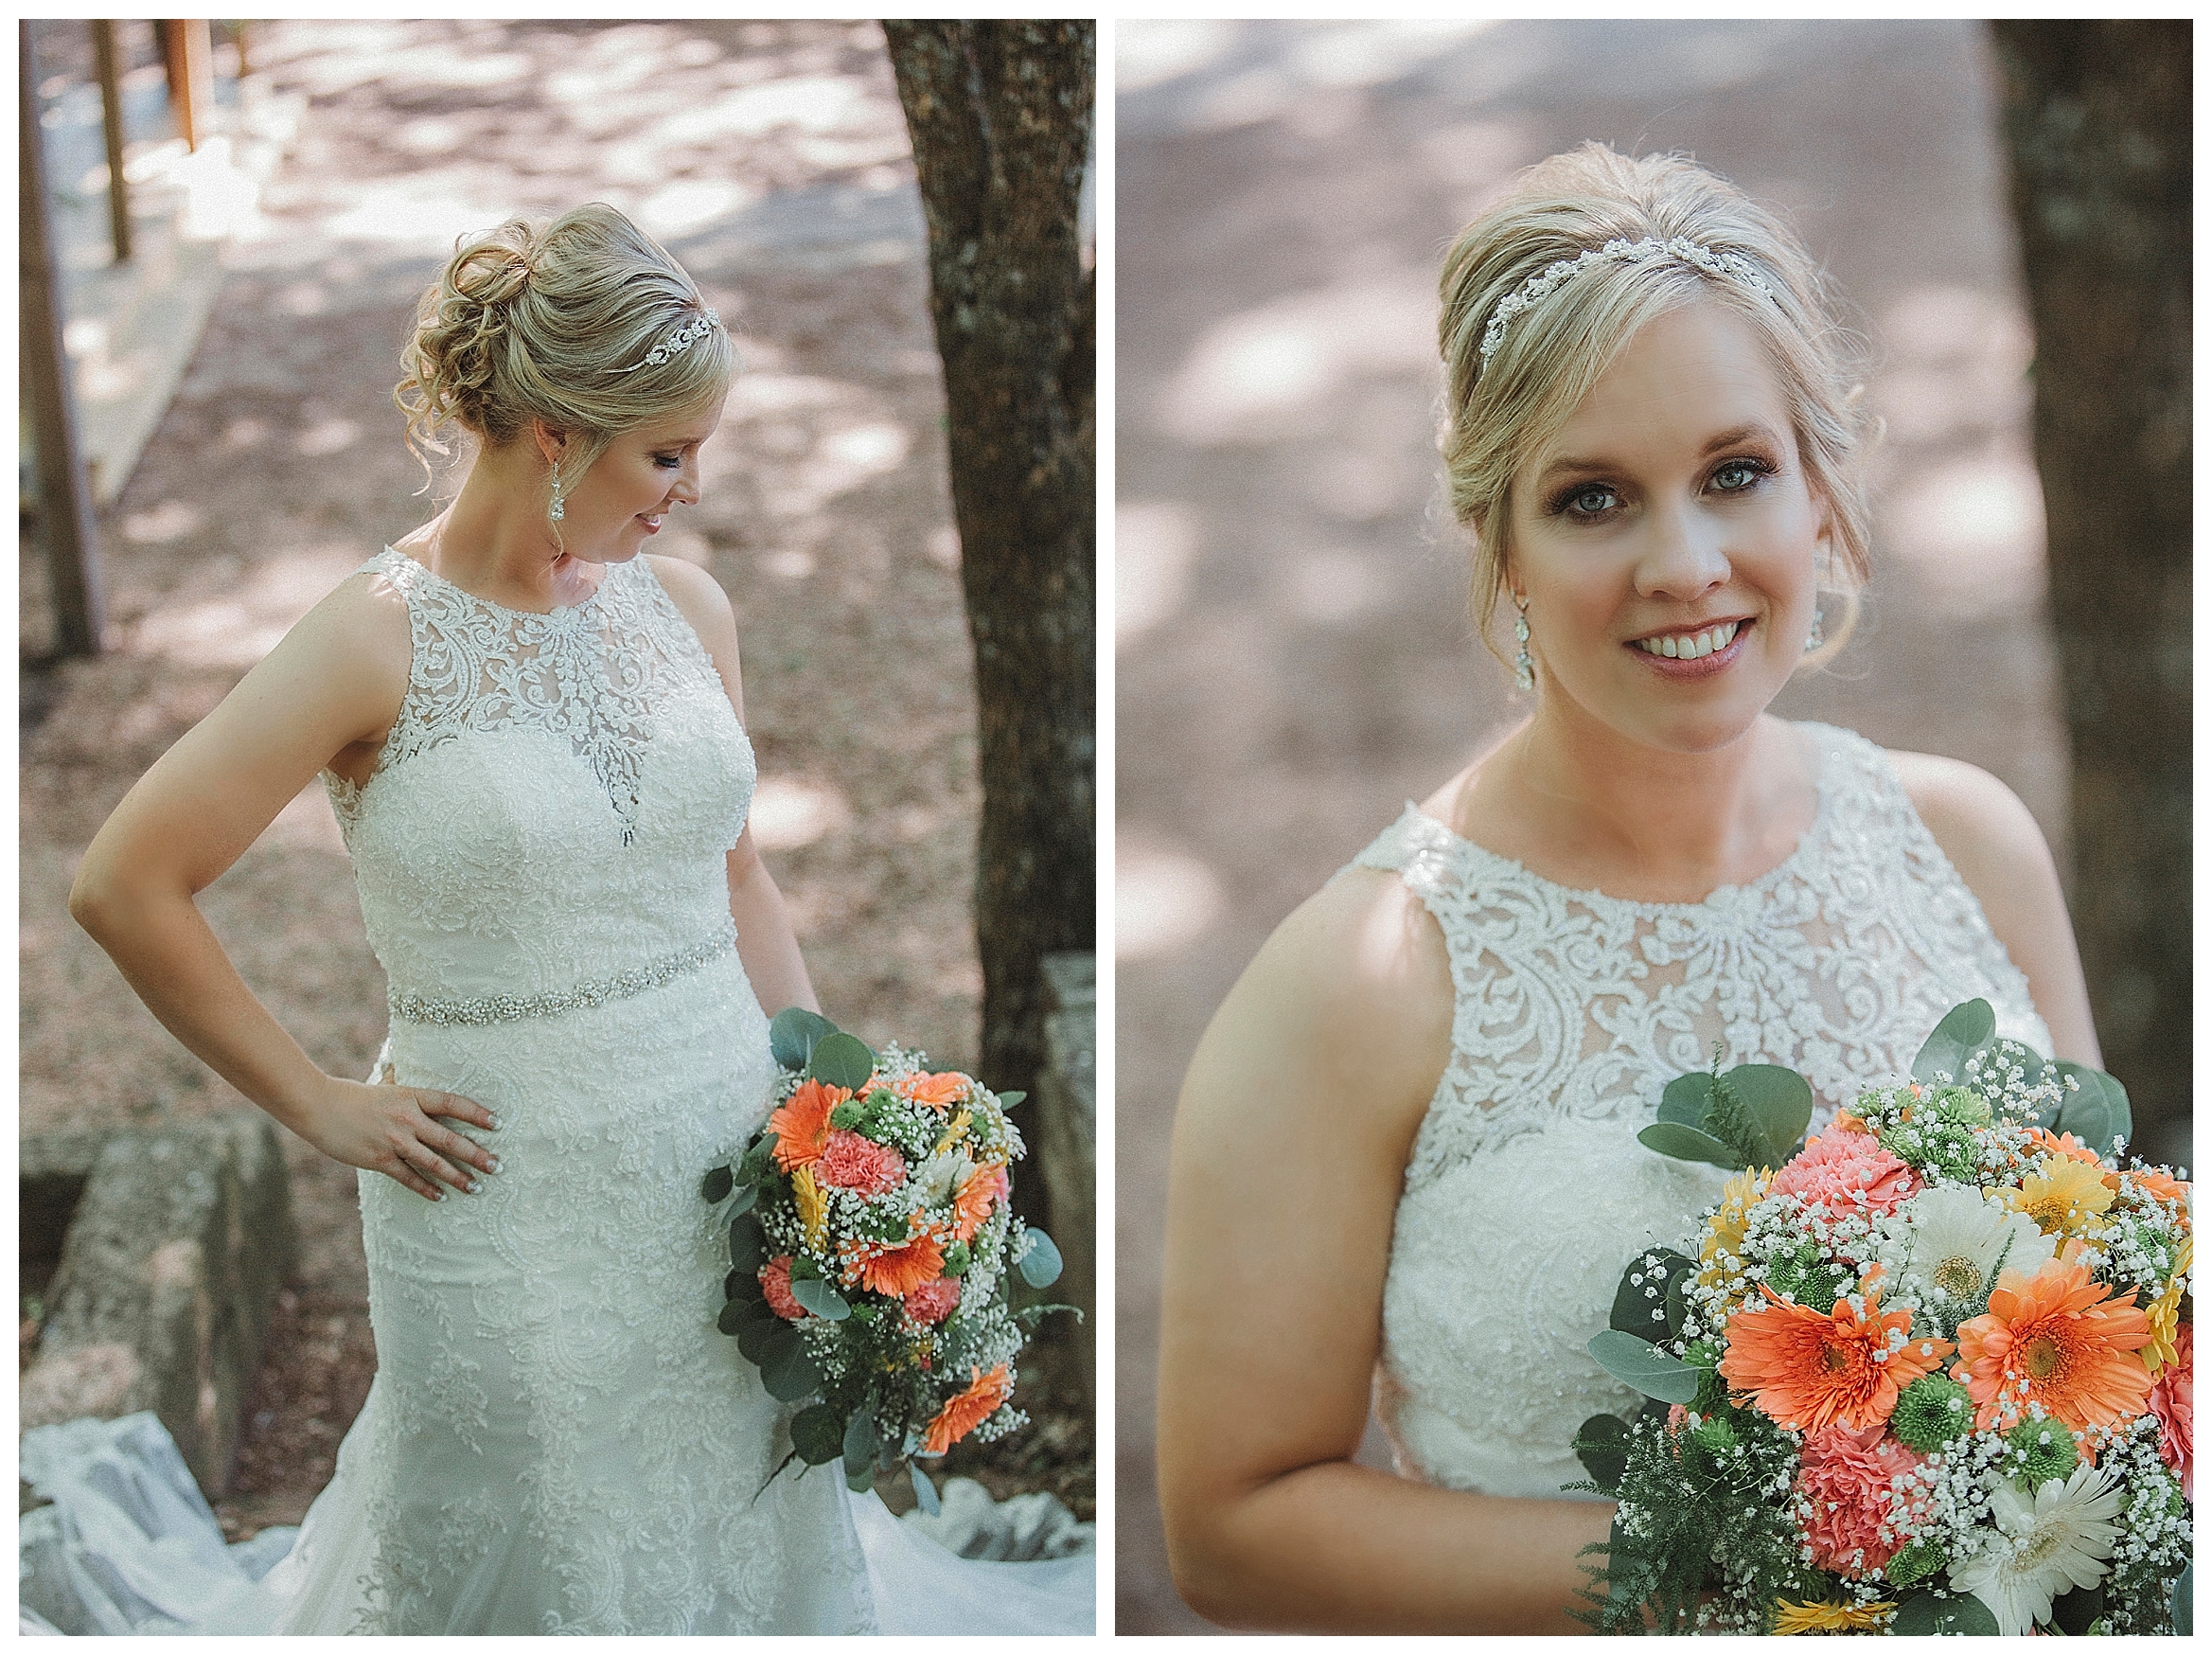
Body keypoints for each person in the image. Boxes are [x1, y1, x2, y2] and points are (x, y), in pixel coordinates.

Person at [52, 205, 1091, 1636]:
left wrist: (851, 1121)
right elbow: (124, 880)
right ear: (553, 431)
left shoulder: (686, 606)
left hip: (724, 1171)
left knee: (740, 1514)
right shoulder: (373, 636)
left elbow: (737, 878)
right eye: (664, 454)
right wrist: (317, 1104)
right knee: (539, 1545)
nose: (684, 491)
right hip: (504, 1206)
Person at [1154, 145, 2098, 1634]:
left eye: (1734, 473)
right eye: (1591, 499)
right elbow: (1230, 1529)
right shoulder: (1362, 981)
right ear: (1501, 548)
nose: (1685, 562)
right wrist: (1738, 1563)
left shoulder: (1967, 844)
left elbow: (2102, 1323)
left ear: (1819, 491)